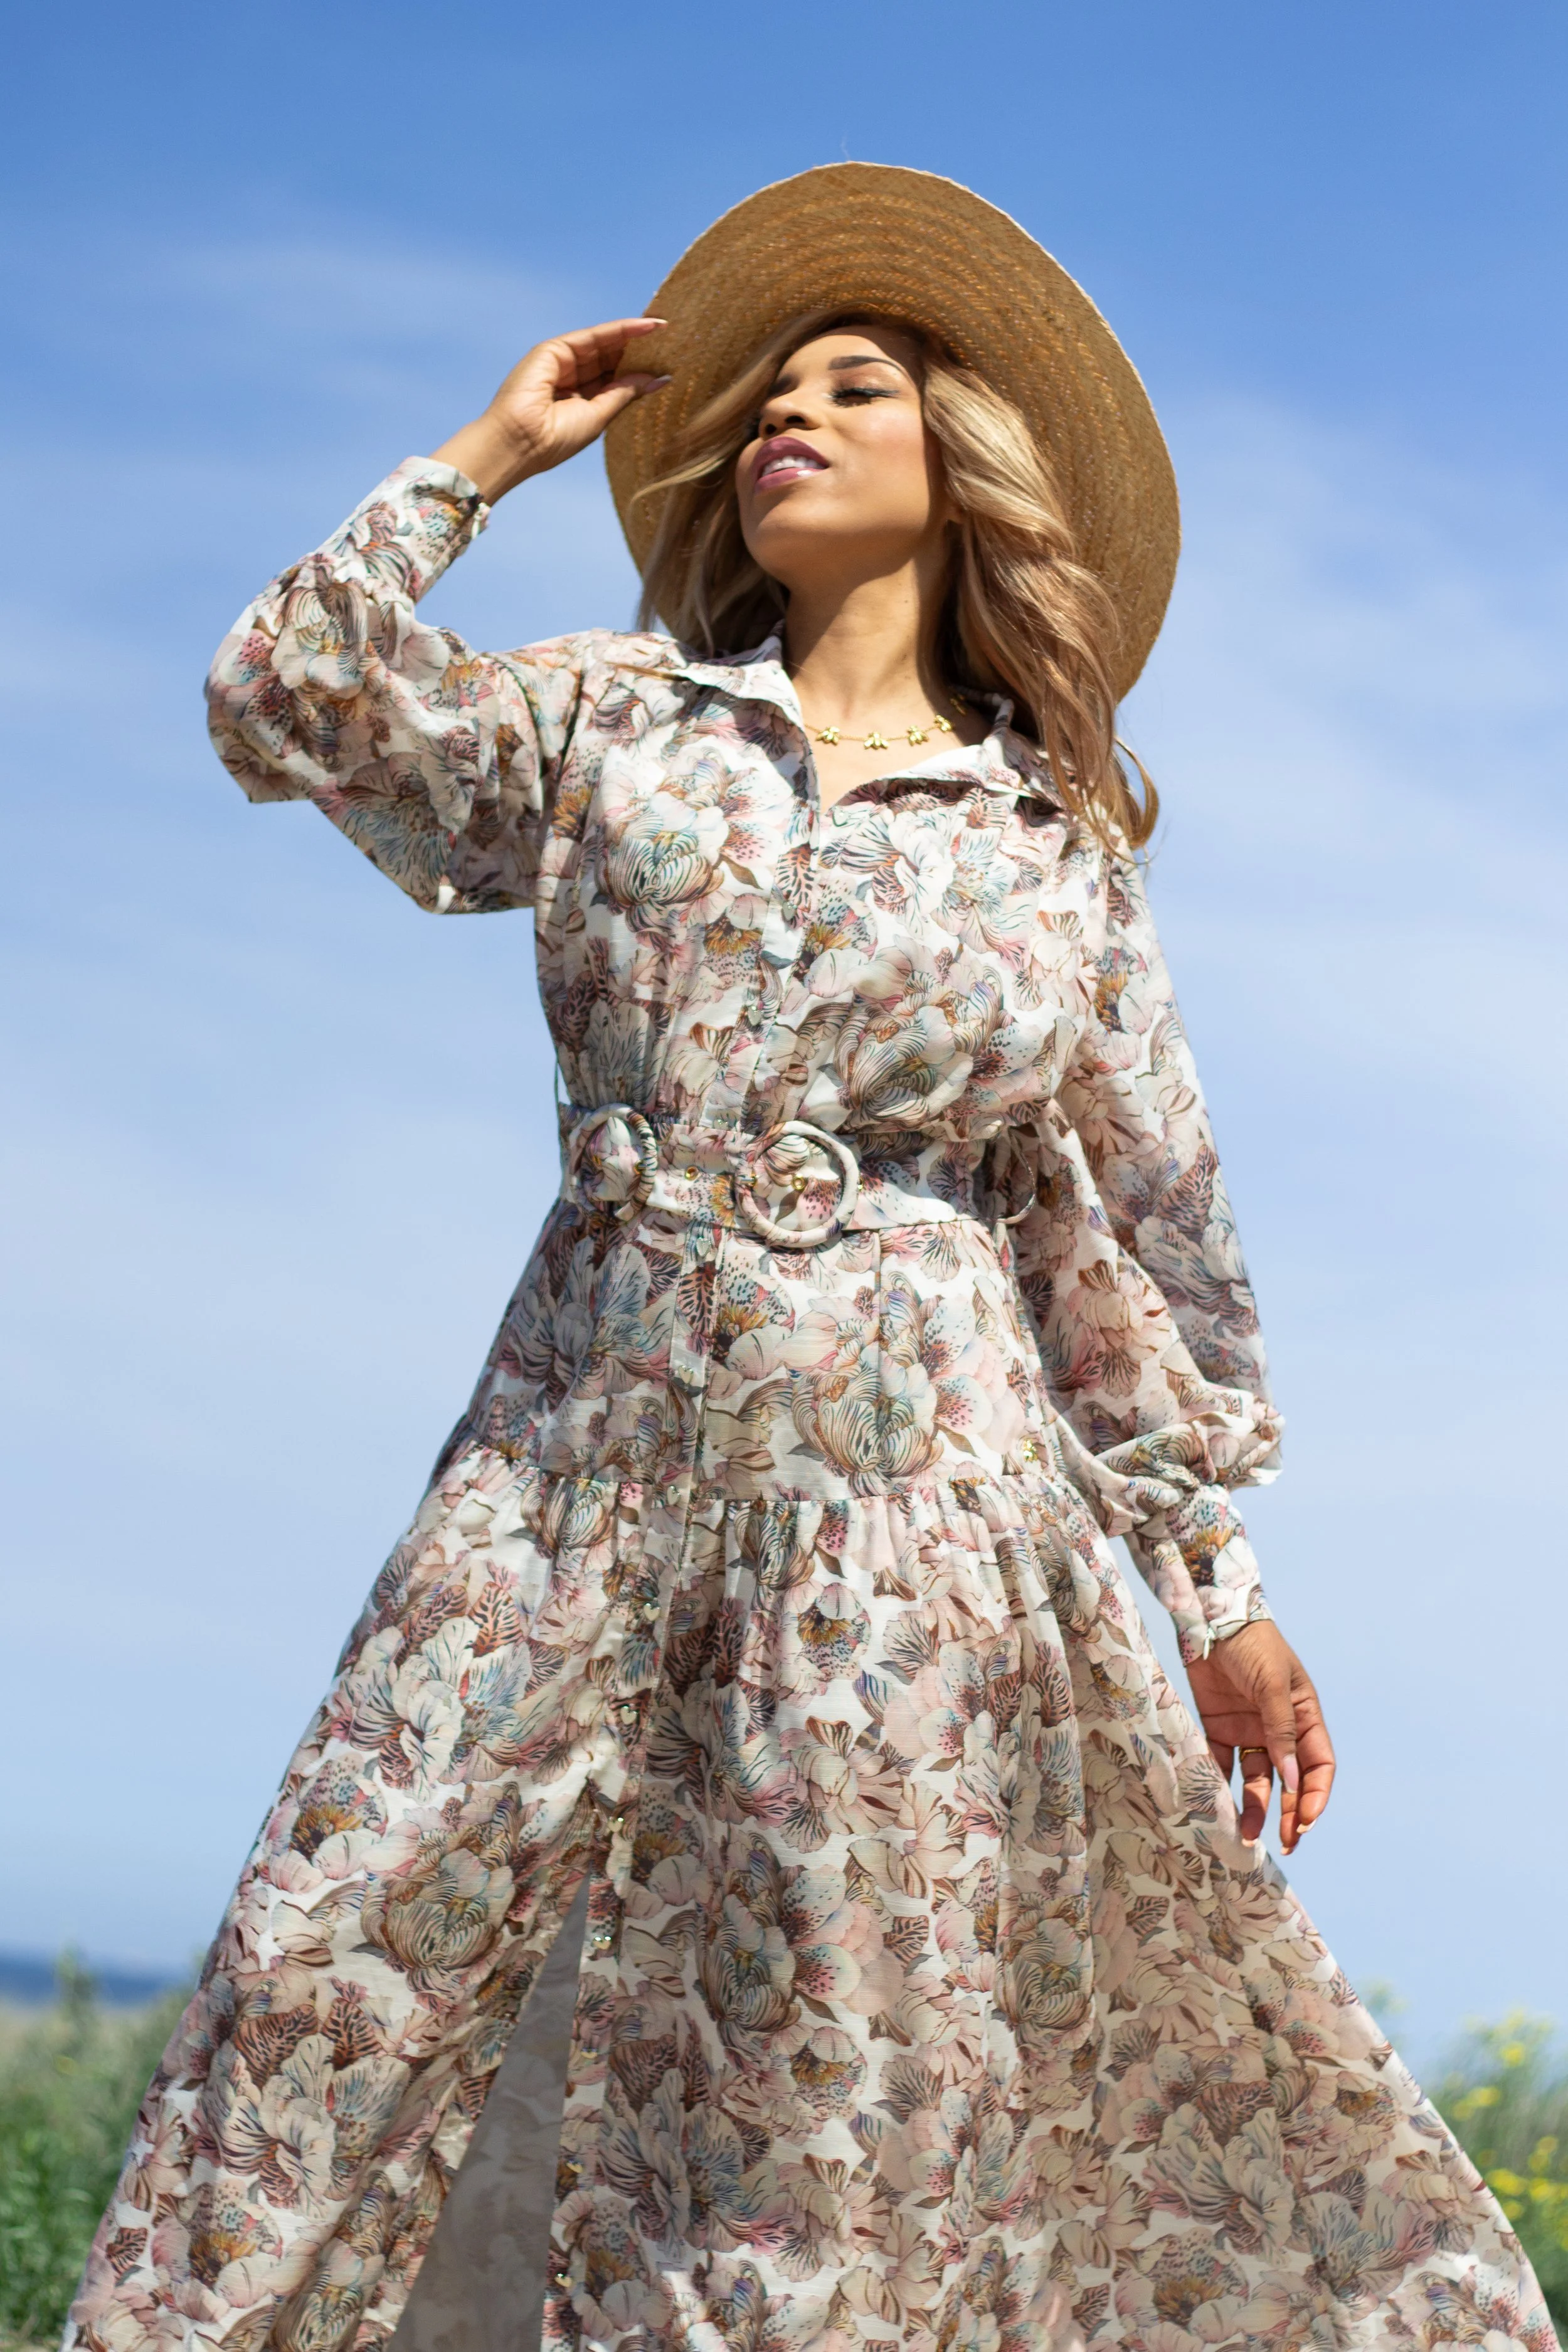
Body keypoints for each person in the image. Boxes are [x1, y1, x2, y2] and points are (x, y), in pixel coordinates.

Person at [66, 166, 1550, 2352]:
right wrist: (479, 462)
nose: (784, 411)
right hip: (562, 1460)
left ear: (965, 473)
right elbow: (279, 704)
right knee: (322, 1958)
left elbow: (1118, 1244)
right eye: (761, 395)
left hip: (912, 1518)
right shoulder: (610, 729)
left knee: (812, 2081)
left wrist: (1212, 1594)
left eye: (853, 385)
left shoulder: (1054, 860)